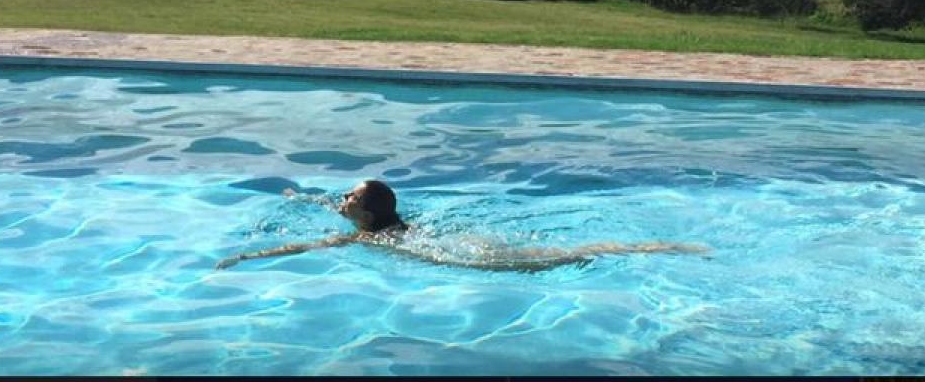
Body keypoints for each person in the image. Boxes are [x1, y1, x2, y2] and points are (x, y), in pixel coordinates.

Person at [216, 179, 707, 271]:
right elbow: (326, 209)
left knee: (552, 259)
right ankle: (654, 246)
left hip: (463, 253)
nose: (342, 199)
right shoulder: (370, 220)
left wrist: (247, 257)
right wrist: (296, 194)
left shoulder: (371, 235)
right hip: (452, 238)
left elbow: (309, 248)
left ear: (366, 214)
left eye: (352, 196)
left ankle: (652, 248)